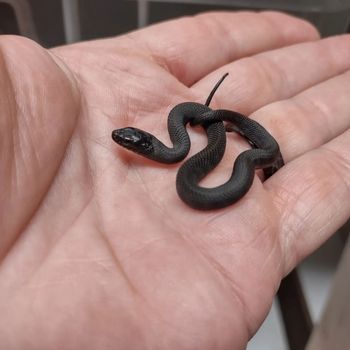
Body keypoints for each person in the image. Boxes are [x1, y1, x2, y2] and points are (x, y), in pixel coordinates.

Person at [0, 10, 349, 349]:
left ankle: (240, 134)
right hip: (209, 131)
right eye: (126, 139)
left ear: (142, 145)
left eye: (127, 139)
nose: (122, 140)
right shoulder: (176, 150)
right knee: (239, 148)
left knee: (249, 157)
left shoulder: (180, 151)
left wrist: (225, 125)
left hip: (234, 139)